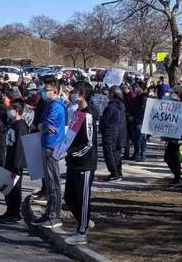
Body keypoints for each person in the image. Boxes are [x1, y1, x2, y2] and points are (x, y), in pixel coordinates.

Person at [64, 81, 98, 245]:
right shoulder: (77, 112)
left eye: (75, 91)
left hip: (84, 163)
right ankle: (85, 221)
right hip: (72, 162)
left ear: (82, 94)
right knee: (69, 197)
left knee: (82, 199)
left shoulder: (88, 115)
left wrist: (71, 153)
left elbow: (88, 143)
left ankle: (82, 231)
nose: (72, 93)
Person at [33, 75, 66, 229]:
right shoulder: (49, 104)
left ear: (55, 90)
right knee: (49, 181)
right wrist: (42, 125)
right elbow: (42, 123)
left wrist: (42, 125)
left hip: (52, 147)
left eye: (47, 90)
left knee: (53, 182)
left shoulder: (56, 106)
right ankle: (49, 212)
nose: (44, 92)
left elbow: (47, 124)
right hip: (46, 143)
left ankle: (54, 215)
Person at [0, 98, 29, 224]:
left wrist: (16, 166)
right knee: (7, 189)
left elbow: (21, 147)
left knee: (15, 189)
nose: (8, 111)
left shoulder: (21, 126)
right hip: (8, 160)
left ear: (16, 111)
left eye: (11, 109)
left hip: (15, 163)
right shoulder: (12, 124)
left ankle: (15, 213)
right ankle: (9, 211)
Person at [99, 85, 127, 182]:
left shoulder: (111, 107)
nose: (108, 95)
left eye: (110, 93)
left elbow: (106, 121)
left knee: (109, 153)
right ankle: (118, 172)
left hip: (111, 133)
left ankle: (114, 173)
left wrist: (101, 127)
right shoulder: (121, 105)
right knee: (116, 154)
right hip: (119, 133)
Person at [163, 86, 182, 185]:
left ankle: (177, 177)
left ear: (178, 94)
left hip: (177, 135)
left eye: (173, 93)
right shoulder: (173, 103)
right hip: (171, 133)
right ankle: (177, 176)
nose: (171, 95)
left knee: (171, 156)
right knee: (169, 156)